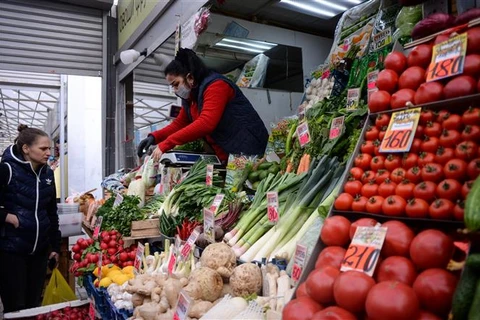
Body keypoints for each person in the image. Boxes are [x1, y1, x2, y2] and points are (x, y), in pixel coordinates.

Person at [137, 48, 269, 164]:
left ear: (190, 77)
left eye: (176, 84)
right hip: (229, 155)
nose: (175, 90)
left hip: (248, 150)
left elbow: (206, 123)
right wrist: (153, 137)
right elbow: (179, 124)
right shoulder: (191, 97)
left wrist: (167, 143)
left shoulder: (216, 86)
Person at [0, 125, 61, 313]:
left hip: (39, 252)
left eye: (49, 148)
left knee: (34, 305)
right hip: (11, 251)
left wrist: (55, 247)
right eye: (43, 149)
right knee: (15, 307)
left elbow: (51, 212)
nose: (48, 153)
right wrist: (7, 217)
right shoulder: (6, 170)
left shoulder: (48, 174)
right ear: (26, 148)